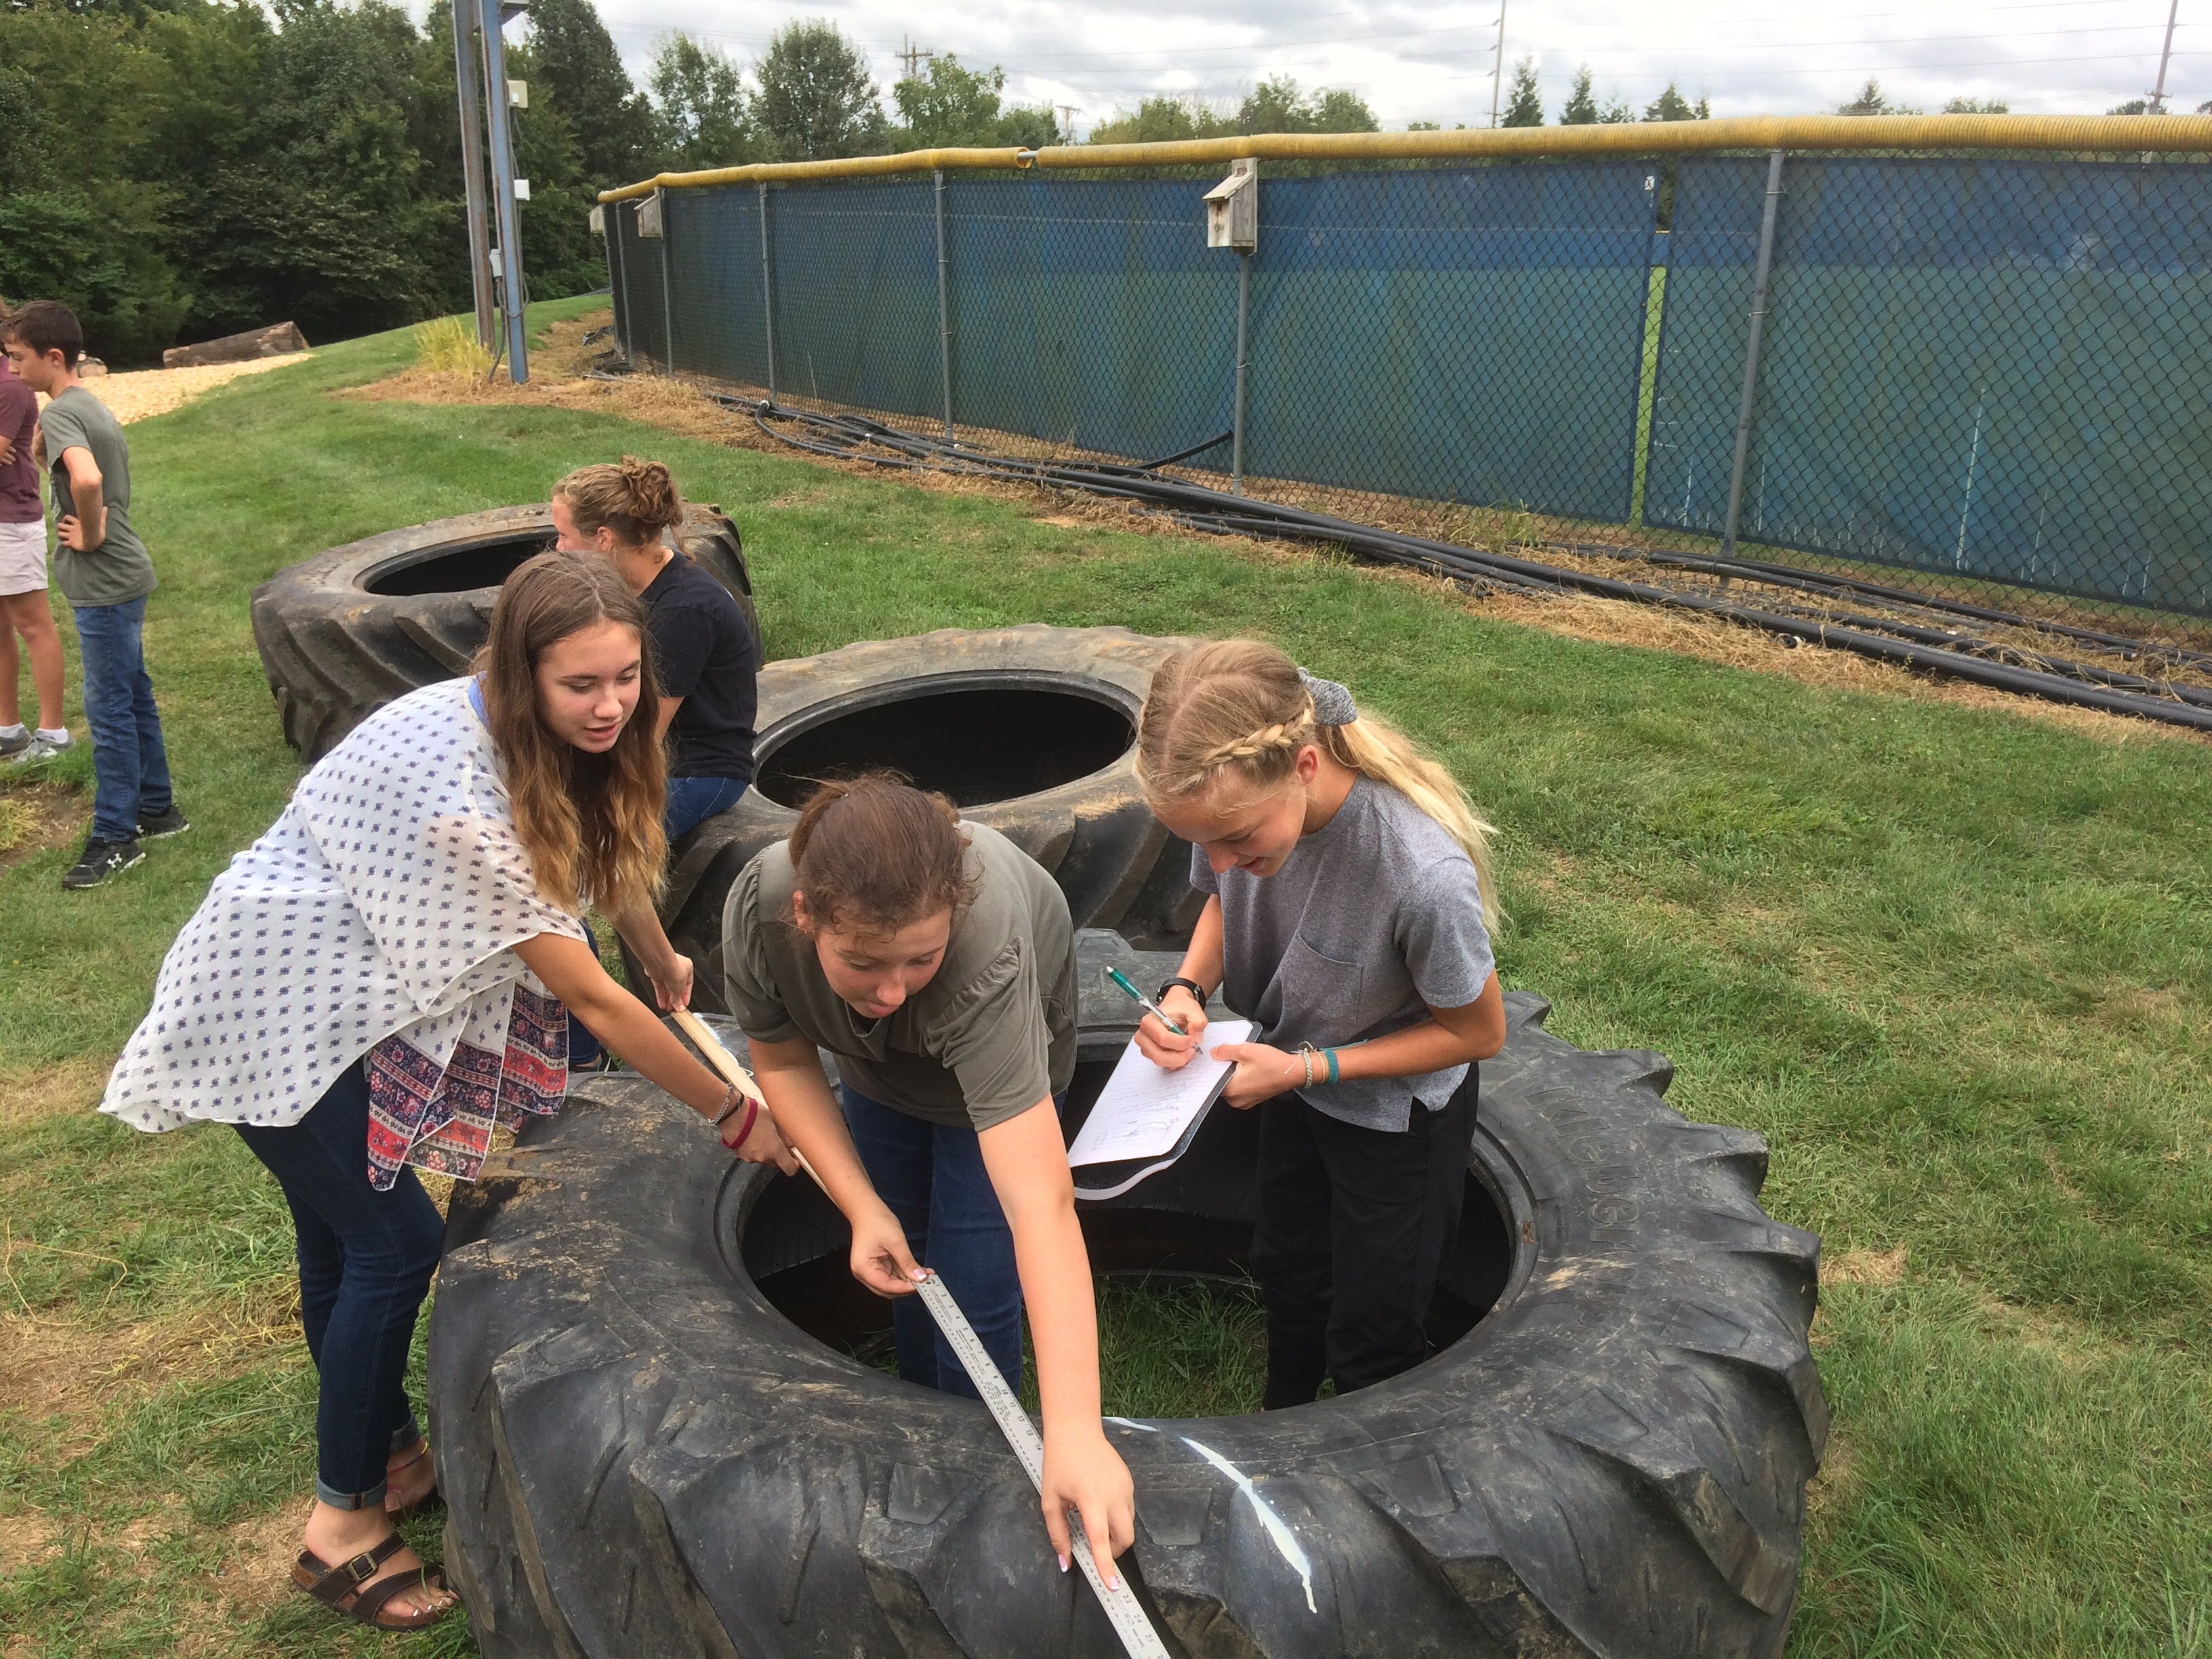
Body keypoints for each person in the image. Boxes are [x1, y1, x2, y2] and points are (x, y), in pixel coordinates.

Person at [98, 552, 795, 1633]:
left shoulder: (533, 732)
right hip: (266, 1007)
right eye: (582, 685)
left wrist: (659, 954)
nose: (611, 705)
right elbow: (592, 1002)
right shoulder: (459, 801)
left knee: (342, 1241)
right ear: (521, 674)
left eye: (625, 677)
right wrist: (732, 1111)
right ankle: (340, 1530)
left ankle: (385, 1453)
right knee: (392, 1248)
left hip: (333, 994)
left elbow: (592, 850)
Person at [723, 774, 1136, 1586]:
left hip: (997, 1064)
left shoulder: (985, 956)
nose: (890, 990)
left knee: (976, 1278)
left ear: (952, 913)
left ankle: (982, 1462)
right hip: (878, 1078)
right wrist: (861, 1206)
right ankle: (924, 1418)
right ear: (805, 915)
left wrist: (1075, 1433)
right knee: (905, 1250)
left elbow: (1041, 1205)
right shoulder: (759, 908)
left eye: (921, 957)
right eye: (862, 962)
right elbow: (784, 1061)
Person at [1130, 640, 1507, 1409]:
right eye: (1202, 845)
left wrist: (1310, 1067)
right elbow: (1220, 902)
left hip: (1395, 1120)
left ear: (1304, 765)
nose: (1219, 864)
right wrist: (1186, 989)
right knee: (1288, 1265)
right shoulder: (1229, 816)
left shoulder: (1420, 875)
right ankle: (1286, 1411)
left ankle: (1370, 1450)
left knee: (1375, 1327)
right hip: (1291, 1081)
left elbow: (1478, 1035)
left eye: (1238, 842)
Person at [0, 301, 182, 886]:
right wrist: (44, 461)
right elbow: (82, 471)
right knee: (134, 693)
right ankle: (158, 809)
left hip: (104, 580)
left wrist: (91, 534)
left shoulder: (60, 414)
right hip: (125, 575)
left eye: (17, 357)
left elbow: (88, 478)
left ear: (52, 357)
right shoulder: (84, 403)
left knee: (108, 709)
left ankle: (116, 837)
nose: (12, 369)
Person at [550, 456, 756, 844]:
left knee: (589, 840)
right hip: (661, 753)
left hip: (699, 768)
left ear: (604, 538)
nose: (558, 548)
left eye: (564, 536)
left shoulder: (685, 610)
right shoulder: (630, 587)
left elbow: (643, 734)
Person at [0, 340, 67, 763]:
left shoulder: (9, 385)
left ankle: (53, 733)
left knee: (32, 624)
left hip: (9, 522)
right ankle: (8, 729)